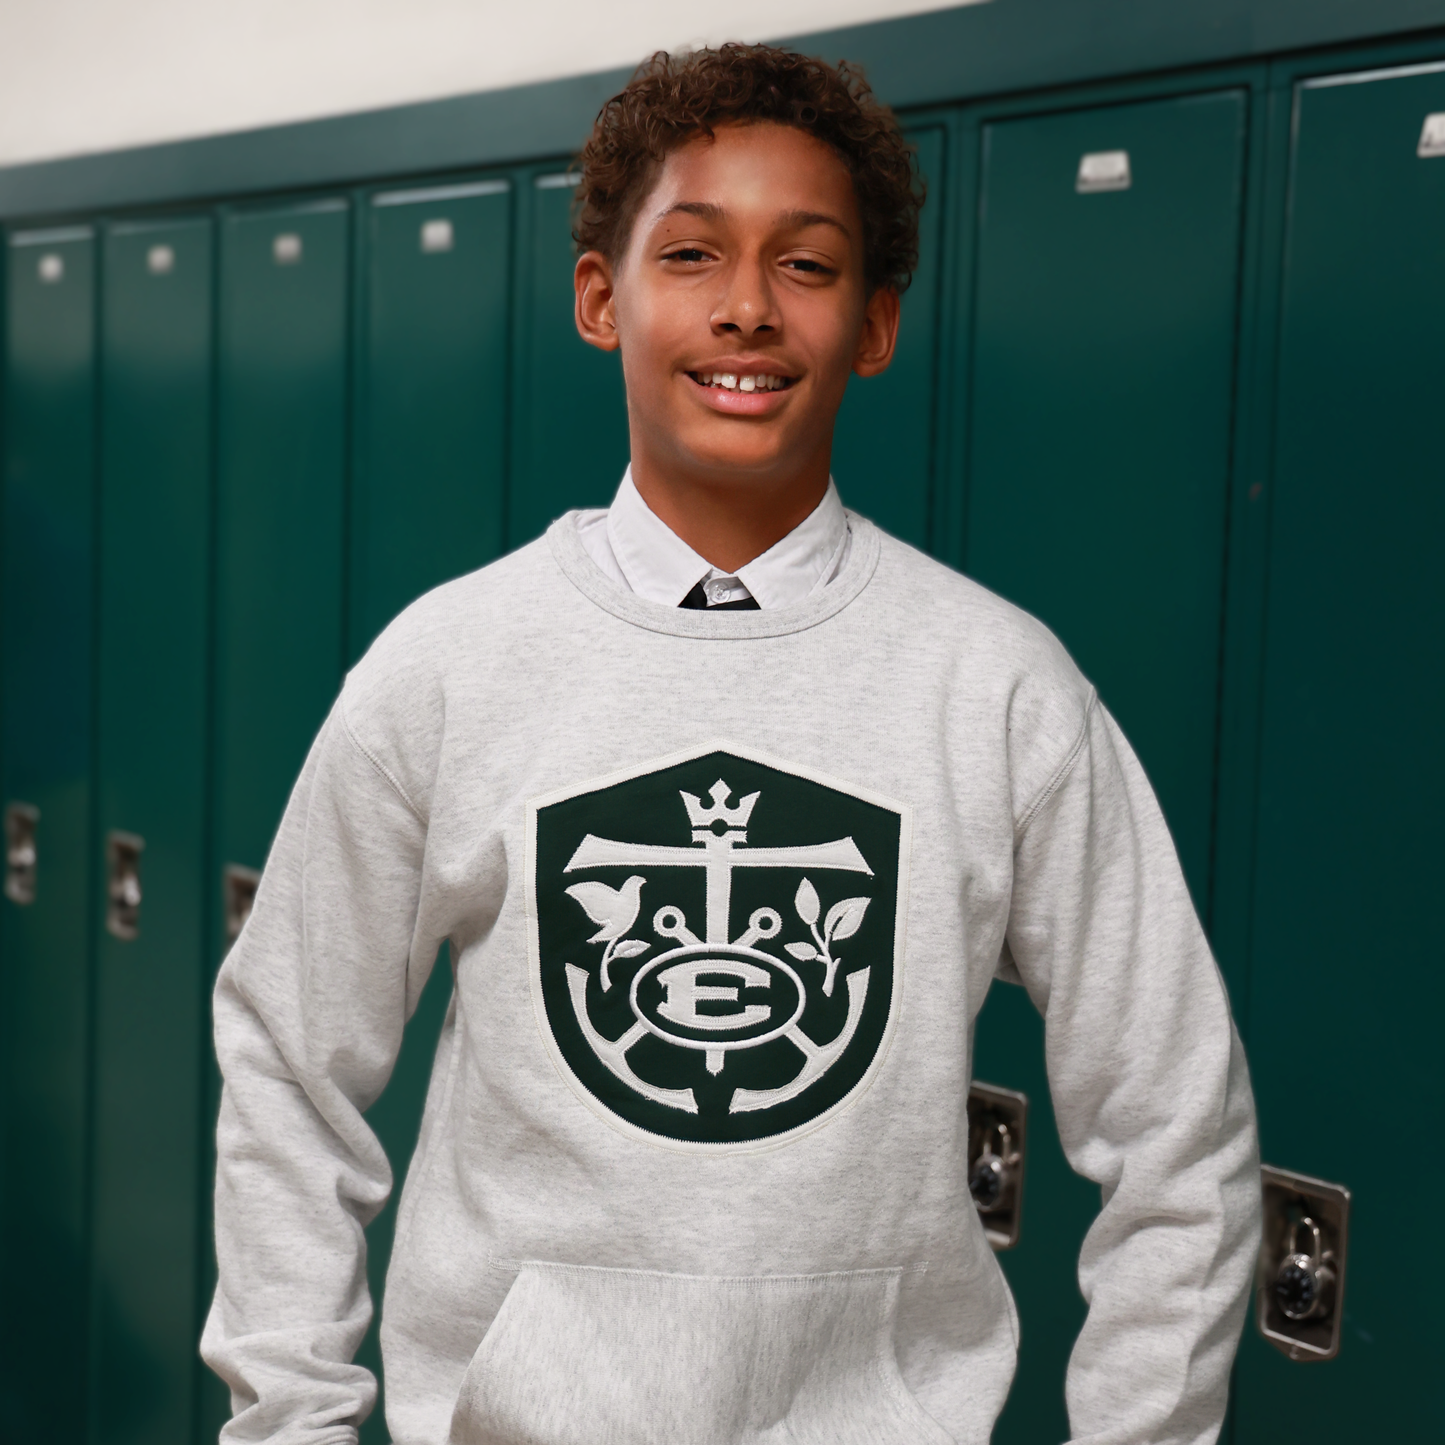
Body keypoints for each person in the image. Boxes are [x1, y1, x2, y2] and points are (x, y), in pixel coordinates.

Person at [203, 43, 1260, 1445]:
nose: (748, 310)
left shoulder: (999, 688)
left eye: (808, 267)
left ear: (877, 324)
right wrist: (289, 1426)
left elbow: (1179, 1124)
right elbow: (287, 1067)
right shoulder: (448, 671)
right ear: (603, 298)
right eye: (693, 255)